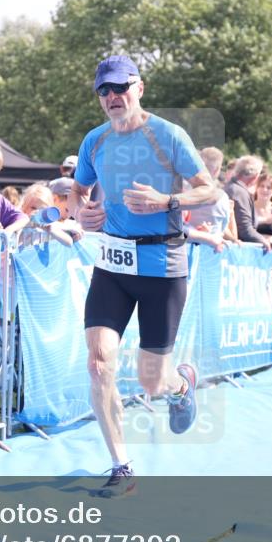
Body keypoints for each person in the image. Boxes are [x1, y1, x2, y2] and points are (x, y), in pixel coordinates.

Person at [68, 55, 216, 498]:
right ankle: (121, 466)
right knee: (98, 363)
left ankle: (180, 384)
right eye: (104, 91)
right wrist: (82, 211)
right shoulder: (94, 142)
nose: (113, 97)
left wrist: (166, 200)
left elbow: (209, 191)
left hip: (162, 266)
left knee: (151, 380)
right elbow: (79, 189)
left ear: (140, 88)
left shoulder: (168, 136)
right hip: (112, 264)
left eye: (120, 88)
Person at [225, 155, 272, 253]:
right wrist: (264, 241)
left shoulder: (230, 187)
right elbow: (245, 229)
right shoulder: (239, 192)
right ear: (255, 177)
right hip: (236, 253)